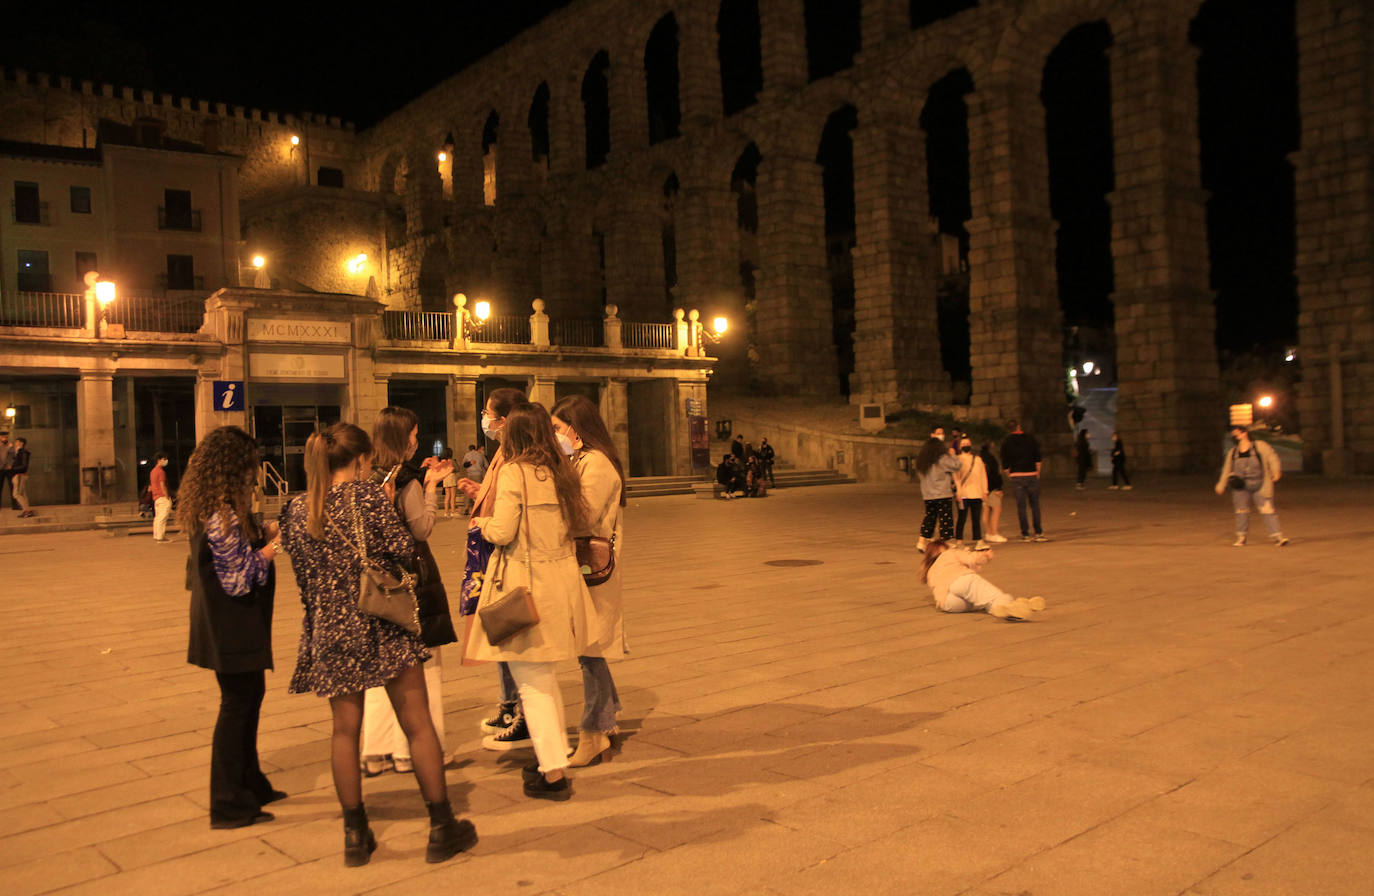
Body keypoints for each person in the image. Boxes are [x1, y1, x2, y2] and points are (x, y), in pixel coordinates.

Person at [280, 423, 476, 867]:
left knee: (344, 732)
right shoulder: (367, 498)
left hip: (329, 631)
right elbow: (405, 551)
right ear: (362, 459)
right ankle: (441, 826)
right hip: (382, 624)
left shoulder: (297, 508)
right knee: (418, 723)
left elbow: (301, 573)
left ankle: (355, 834)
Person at [465, 403, 595, 801]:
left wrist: (480, 523)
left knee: (533, 685)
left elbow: (503, 531)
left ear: (516, 435)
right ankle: (552, 761)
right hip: (561, 583)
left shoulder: (513, 473)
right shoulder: (561, 471)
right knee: (545, 679)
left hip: (527, 585)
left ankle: (553, 773)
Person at [180, 426, 284, 830]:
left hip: (228, 625)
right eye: (251, 466)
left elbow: (235, 554)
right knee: (237, 705)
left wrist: (262, 534)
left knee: (248, 697)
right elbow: (237, 577)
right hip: (231, 625)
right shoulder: (220, 512)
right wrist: (272, 550)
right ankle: (227, 801)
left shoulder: (216, 507)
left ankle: (251, 783)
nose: (255, 474)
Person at [360, 408, 459, 777]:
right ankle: (415, 750)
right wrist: (431, 488)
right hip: (412, 581)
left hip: (377, 583)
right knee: (424, 667)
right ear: (405, 438)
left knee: (382, 667)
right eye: (414, 433)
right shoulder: (407, 482)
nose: (417, 439)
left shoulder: (367, 477)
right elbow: (421, 529)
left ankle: (376, 749)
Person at [552, 394, 626, 768]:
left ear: (576, 432)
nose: (554, 436)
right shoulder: (581, 460)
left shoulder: (595, 465)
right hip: (583, 568)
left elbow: (584, 517)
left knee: (589, 649)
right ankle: (609, 713)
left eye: (557, 429)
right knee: (588, 645)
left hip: (591, 570)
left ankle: (593, 732)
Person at [458, 388, 532, 751]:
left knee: (507, 631)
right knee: (497, 631)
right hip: (491, 551)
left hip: (501, 551)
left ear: (504, 419)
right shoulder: (502, 452)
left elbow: (508, 514)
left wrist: (484, 524)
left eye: (488, 413)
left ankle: (521, 712)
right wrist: (477, 493)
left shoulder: (516, 454)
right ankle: (509, 705)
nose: (484, 419)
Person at [921, 540, 1047, 620]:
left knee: (982, 601)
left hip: (948, 603)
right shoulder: (950, 553)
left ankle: (1010, 607)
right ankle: (1010, 606)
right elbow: (972, 559)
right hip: (961, 580)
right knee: (994, 597)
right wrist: (986, 556)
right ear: (944, 547)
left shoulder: (930, 571)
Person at [1215, 426, 1289, 547]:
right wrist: (1221, 485)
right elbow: (1227, 469)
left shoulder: (1260, 446)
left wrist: (1276, 471)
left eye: (1237, 433)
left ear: (1245, 433)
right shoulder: (1233, 452)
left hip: (1260, 484)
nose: (1235, 436)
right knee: (1241, 511)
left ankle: (1278, 537)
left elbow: (1272, 457)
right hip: (1240, 486)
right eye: (1233, 434)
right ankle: (1241, 537)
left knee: (1267, 510)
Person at [1001, 420, 1047, 542]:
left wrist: (1010, 476)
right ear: (1019, 426)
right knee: (1035, 505)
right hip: (1031, 474)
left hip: (1016, 475)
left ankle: (1025, 534)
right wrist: (1037, 473)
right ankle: (1038, 532)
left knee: (1021, 507)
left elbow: (1005, 464)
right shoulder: (1030, 439)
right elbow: (1038, 457)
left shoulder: (1006, 442)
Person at [915, 437, 959, 551]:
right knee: (945, 518)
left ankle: (921, 541)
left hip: (928, 494)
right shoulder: (942, 459)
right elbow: (957, 465)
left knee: (929, 517)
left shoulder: (922, 461)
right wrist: (953, 455)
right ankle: (946, 542)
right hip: (943, 493)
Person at [954, 436, 988, 550]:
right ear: (960, 446)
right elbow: (956, 477)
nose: (966, 445)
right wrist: (958, 491)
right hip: (963, 494)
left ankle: (978, 540)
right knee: (962, 518)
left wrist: (985, 491)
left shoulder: (978, 459)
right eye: (963, 443)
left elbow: (983, 475)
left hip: (977, 493)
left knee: (976, 518)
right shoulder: (957, 460)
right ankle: (959, 541)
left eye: (968, 443)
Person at [980, 440, 1007, 543]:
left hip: (983, 489)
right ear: (991, 445)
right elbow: (994, 474)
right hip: (992, 488)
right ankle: (994, 533)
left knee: (986, 510)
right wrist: (998, 488)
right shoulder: (991, 458)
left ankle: (988, 533)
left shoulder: (980, 457)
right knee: (996, 509)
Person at [151, 451, 174, 541]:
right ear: (159, 460)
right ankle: (161, 537)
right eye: (164, 459)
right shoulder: (161, 472)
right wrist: (167, 496)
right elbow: (162, 485)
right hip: (162, 497)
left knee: (157, 518)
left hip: (156, 497)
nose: (166, 461)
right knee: (163, 517)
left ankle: (156, 535)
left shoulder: (152, 471)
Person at [0, 433, 14, 510]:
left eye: (6, 437)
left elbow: (12, 457)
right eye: (3, 437)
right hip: (0, 469)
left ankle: (15, 505)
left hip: (8, 469)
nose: (4, 438)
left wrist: (10, 465)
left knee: (12, 487)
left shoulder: (10, 445)